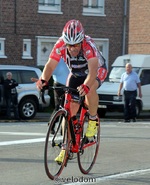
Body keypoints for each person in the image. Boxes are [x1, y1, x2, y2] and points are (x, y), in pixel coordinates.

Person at [35, 19, 107, 163]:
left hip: (96, 71)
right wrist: (44, 80)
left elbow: (93, 71)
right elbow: (50, 65)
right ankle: (65, 148)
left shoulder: (88, 46)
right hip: (75, 73)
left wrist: (86, 85)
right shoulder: (60, 44)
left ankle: (92, 120)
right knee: (68, 109)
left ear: (81, 41)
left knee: (90, 89)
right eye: (69, 45)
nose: (72, 48)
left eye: (75, 45)